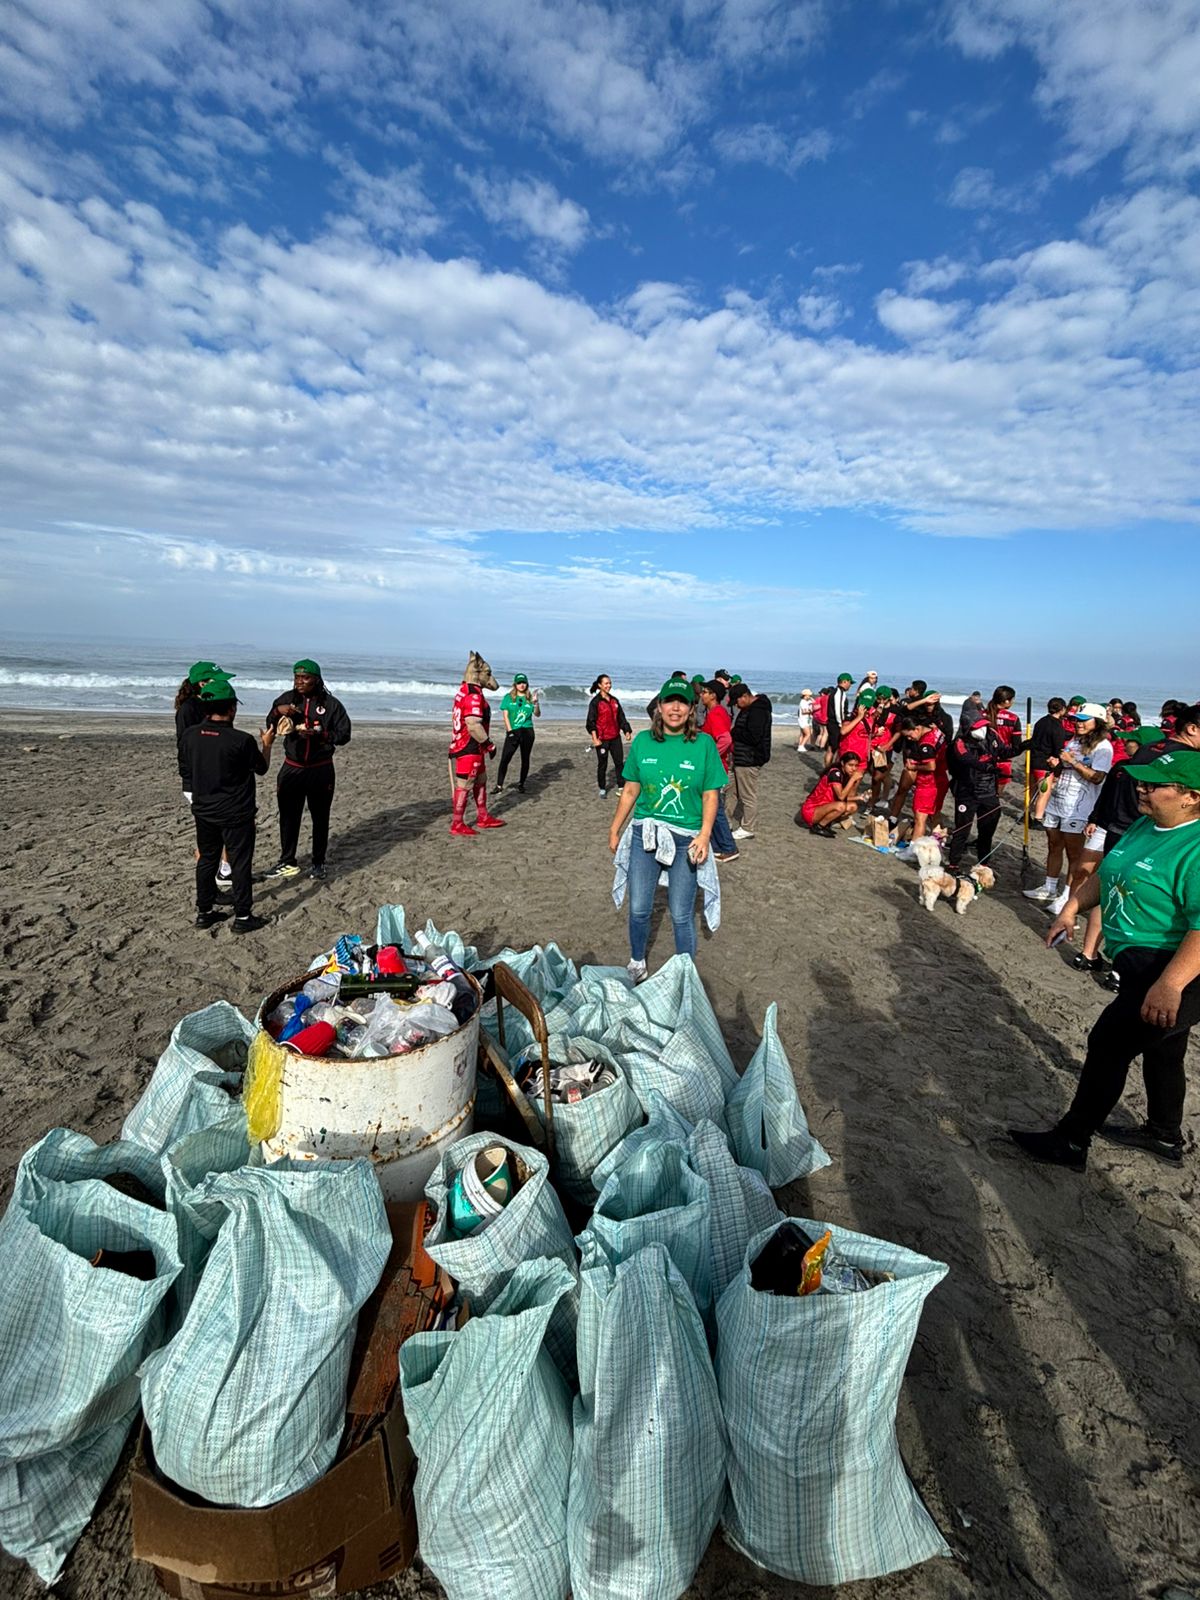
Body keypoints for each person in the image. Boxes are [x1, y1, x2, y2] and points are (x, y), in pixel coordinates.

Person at [1009, 748, 1200, 1171]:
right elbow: (1107, 875)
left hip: (1177, 968)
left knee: (1109, 1044)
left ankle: (1072, 1142)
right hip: (1138, 961)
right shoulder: (1145, 826)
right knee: (1164, 1048)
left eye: (1154, 785)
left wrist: (1170, 985)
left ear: (1191, 796)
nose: (1141, 789)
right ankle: (1164, 1134)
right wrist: (1071, 907)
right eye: (1141, 781)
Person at [609, 677, 727, 982]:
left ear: (691, 709)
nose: (675, 708)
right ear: (659, 707)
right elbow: (631, 790)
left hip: (687, 839)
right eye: (669, 701)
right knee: (638, 908)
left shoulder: (704, 745)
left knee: (680, 913)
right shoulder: (643, 742)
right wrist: (615, 828)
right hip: (644, 834)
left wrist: (704, 835)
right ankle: (637, 961)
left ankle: (683, 971)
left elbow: (711, 795)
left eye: (683, 702)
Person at [179, 673, 273, 934]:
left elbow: (186, 768)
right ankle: (243, 917)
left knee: (207, 859)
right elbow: (262, 768)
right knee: (240, 863)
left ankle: (205, 912)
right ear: (232, 708)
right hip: (235, 813)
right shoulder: (240, 740)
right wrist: (267, 744)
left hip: (204, 809)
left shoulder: (190, 735)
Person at [262, 659, 352, 880]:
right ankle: (287, 861)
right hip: (292, 768)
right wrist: (277, 712)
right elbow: (270, 726)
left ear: (317, 679)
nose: (300, 682)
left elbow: (344, 734)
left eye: (305, 678)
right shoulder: (286, 700)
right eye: (296, 677)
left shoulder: (331, 705)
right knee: (288, 816)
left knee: (320, 817)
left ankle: (318, 862)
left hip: (320, 769)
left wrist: (321, 735)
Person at [1024, 703, 1112, 915]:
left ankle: (1066, 896)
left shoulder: (1103, 747)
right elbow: (1067, 766)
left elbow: (1098, 777)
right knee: (1053, 844)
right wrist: (1058, 763)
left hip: (1079, 807)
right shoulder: (1074, 740)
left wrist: (1072, 761)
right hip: (1058, 800)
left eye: (1084, 720)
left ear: (1097, 722)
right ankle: (1049, 887)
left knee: (1075, 854)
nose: (1078, 724)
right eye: (1077, 720)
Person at [175, 659, 234, 894]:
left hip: (217, 779)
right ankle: (214, 882)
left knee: (222, 830)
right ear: (202, 683)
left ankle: (225, 872)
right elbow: (187, 749)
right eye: (217, 680)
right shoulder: (189, 710)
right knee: (211, 834)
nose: (222, 684)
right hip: (200, 782)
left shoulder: (215, 702)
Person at [447, 650, 505, 836]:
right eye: (487, 673)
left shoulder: (463, 691)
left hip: (471, 746)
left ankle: (483, 816)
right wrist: (489, 744)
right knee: (464, 785)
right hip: (469, 746)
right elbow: (473, 724)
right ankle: (457, 823)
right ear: (477, 672)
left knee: (481, 780)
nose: (491, 679)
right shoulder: (473, 695)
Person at [699, 679, 739, 861]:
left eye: (705, 692)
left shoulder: (716, 713)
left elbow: (725, 739)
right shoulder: (717, 712)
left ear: (713, 695)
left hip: (715, 767)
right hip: (718, 765)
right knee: (712, 807)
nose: (701, 695)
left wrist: (710, 756)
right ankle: (717, 846)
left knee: (715, 808)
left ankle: (729, 847)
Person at [729, 681, 772, 839]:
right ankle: (727, 821)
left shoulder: (757, 711)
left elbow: (754, 737)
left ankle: (748, 827)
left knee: (747, 794)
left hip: (750, 758)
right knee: (731, 790)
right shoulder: (750, 709)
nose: (737, 706)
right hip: (742, 757)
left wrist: (735, 732)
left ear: (745, 696)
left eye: (737, 702)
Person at [797, 751, 864, 836]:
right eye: (850, 765)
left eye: (856, 766)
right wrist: (852, 779)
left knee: (853, 807)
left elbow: (840, 796)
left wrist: (859, 797)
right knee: (841, 806)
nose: (853, 769)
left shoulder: (844, 774)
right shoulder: (835, 773)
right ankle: (819, 827)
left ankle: (826, 824)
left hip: (825, 806)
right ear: (843, 763)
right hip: (812, 810)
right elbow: (841, 797)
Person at [586, 674, 633, 797]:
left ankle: (621, 786)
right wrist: (595, 739)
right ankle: (602, 788)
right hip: (602, 740)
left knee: (619, 763)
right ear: (600, 685)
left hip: (615, 737)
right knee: (603, 764)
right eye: (606, 683)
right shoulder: (595, 702)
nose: (609, 685)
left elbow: (621, 718)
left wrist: (626, 730)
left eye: (610, 683)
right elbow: (591, 722)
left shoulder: (614, 700)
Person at [495, 673, 540, 793]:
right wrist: (510, 731)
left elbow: (537, 714)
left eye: (523, 682)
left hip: (528, 731)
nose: (521, 685)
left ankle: (521, 784)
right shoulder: (508, 697)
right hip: (513, 731)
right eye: (519, 683)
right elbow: (505, 715)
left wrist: (535, 703)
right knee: (505, 758)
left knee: (525, 759)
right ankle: (499, 785)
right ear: (515, 684)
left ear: (527, 684)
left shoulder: (530, 698)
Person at [1029, 698, 1070, 824]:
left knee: (1032, 790)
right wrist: (1058, 768)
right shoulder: (1056, 726)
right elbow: (1058, 747)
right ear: (1062, 709)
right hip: (1044, 763)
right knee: (1044, 793)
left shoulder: (1041, 721)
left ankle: (1028, 814)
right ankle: (1037, 818)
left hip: (1034, 759)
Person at [824, 673, 854, 768]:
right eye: (850, 683)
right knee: (835, 748)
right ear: (845, 682)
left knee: (831, 747)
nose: (850, 685)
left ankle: (828, 769)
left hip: (832, 723)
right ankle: (829, 769)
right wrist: (842, 724)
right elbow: (839, 710)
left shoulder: (835, 692)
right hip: (836, 724)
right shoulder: (839, 693)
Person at [795, 688, 815, 752]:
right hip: (803, 720)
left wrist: (811, 699)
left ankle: (800, 745)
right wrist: (811, 711)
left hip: (805, 719)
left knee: (802, 734)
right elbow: (804, 712)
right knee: (808, 734)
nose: (810, 696)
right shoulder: (803, 702)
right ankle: (801, 746)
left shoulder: (807, 701)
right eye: (809, 695)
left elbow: (814, 702)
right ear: (805, 695)